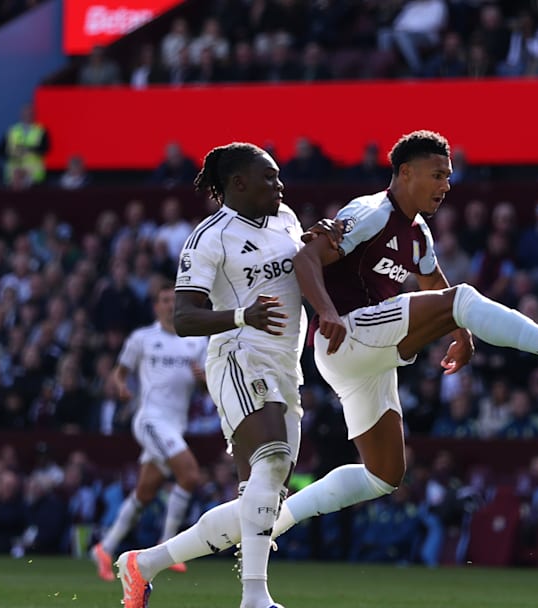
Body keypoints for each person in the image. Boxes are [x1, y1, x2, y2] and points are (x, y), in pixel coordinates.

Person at [269, 130, 538, 541]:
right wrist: (327, 311)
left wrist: (461, 332)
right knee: (462, 297)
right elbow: (306, 258)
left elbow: (435, 285)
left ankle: (278, 520)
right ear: (405, 173)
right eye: (437, 175)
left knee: (384, 475)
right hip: (345, 333)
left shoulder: (418, 232)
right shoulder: (371, 211)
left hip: (363, 358)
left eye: (448, 176)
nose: (446, 185)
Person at [116, 142, 338, 608]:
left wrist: (323, 249)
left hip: (285, 366)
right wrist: (241, 316)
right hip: (238, 355)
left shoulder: (287, 219)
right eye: (269, 177)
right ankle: (254, 598)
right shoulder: (209, 237)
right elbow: (183, 318)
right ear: (238, 183)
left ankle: (144, 564)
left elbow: (300, 274)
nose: (279, 185)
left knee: (261, 503)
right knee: (273, 460)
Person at [90, 286, 208, 581]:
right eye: (164, 301)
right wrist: (120, 385)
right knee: (190, 475)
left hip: (175, 424)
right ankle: (167, 548)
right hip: (150, 421)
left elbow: (207, 386)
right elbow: (121, 371)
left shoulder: (196, 341)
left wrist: (203, 379)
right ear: (156, 307)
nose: (170, 305)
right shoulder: (143, 339)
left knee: (144, 493)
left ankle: (105, 548)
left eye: (174, 300)